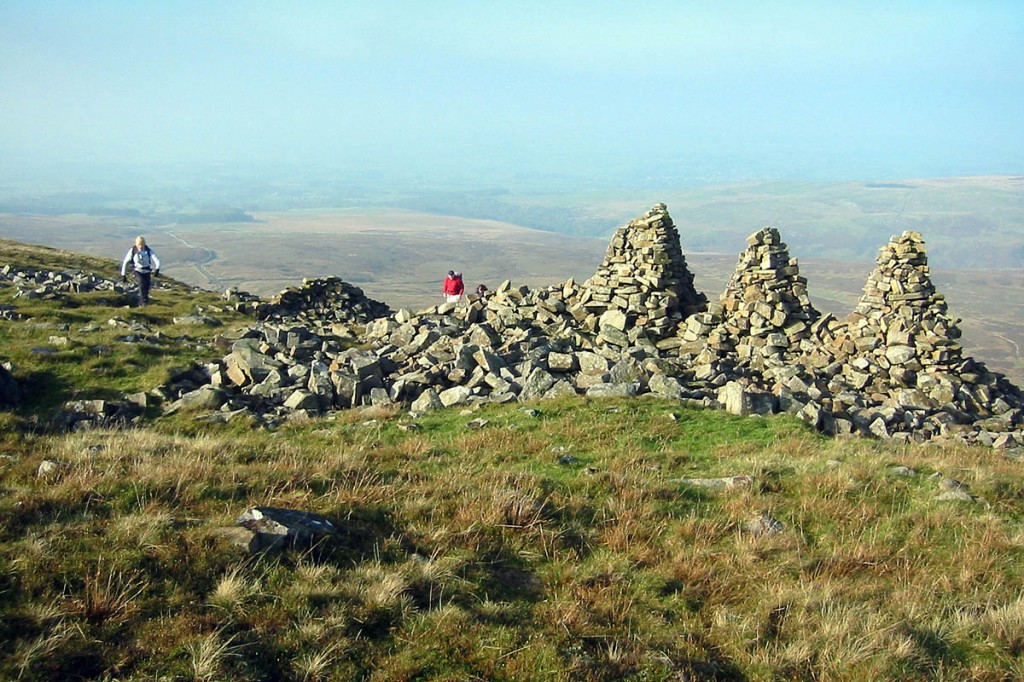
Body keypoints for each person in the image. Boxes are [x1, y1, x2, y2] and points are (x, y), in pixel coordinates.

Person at [120, 236, 161, 307]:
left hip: (147, 270)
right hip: (137, 270)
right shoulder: (133, 251)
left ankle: (145, 299)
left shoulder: (148, 250)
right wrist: (123, 275)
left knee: (147, 285)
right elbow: (126, 262)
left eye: (142, 244)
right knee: (141, 283)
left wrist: (157, 269)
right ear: (136, 244)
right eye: (139, 244)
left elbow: (156, 259)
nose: (141, 246)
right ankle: (143, 301)